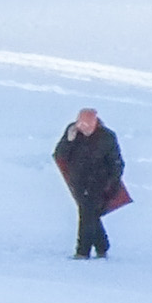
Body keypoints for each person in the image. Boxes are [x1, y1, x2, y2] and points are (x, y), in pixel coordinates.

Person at [53, 108, 129, 259]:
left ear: (95, 123)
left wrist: (113, 185)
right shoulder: (72, 132)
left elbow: (117, 163)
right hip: (79, 181)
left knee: (86, 215)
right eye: (82, 125)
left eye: (88, 126)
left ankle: (83, 251)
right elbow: (60, 155)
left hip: (99, 182)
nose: (84, 129)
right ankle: (102, 246)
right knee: (91, 215)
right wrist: (69, 140)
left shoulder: (107, 137)